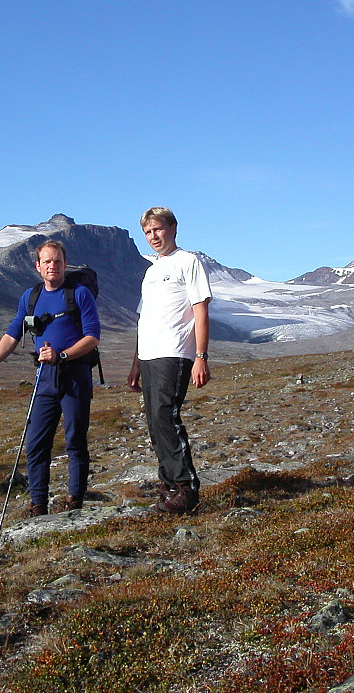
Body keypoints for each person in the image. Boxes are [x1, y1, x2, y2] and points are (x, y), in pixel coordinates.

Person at [0, 240, 100, 517]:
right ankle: (37, 505)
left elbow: (92, 337)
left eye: (58, 261)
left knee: (75, 439)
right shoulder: (30, 297)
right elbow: (12, 334)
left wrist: (61, 356)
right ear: (38, 267)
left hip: (74, 375)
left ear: (64, 264)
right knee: (36, 443)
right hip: (44, 379)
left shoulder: (80, 294)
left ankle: (74, 500)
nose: (53, 266)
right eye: (47, 262)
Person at [127, 207, 212, 514]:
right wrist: (136, 363)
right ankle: (169, 485)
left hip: (174, 352)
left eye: (158, 229)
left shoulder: (188, 262)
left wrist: (201, 356)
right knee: (154, 420)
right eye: (148, 232)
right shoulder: (150, 272)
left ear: (173, 228)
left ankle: (187, 488)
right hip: (149, 354)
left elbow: (200, 309)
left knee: (166, 415)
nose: (154, 237)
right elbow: (144, 319)